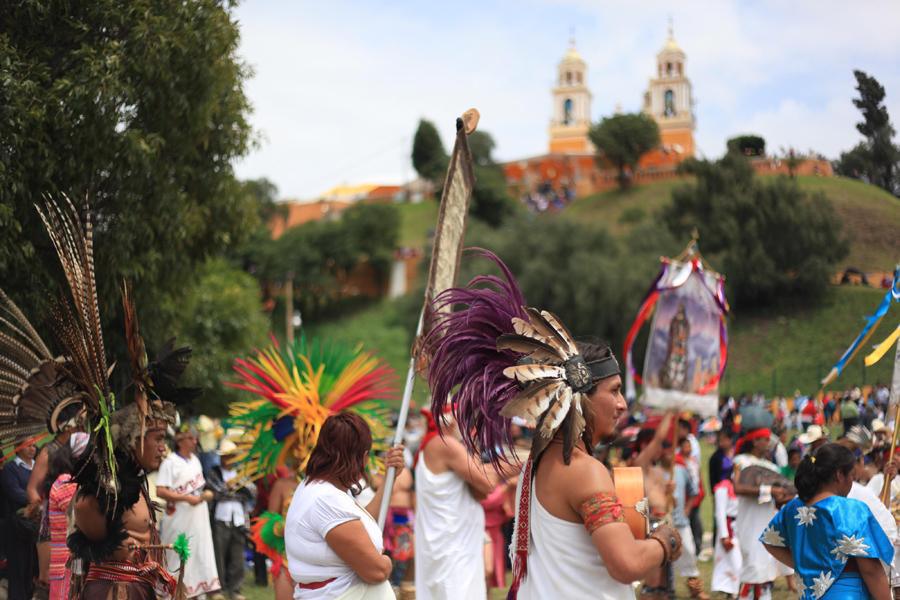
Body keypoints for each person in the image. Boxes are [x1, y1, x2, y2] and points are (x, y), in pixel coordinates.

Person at [422, 251, 683, 600]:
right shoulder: (582, 471)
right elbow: (626, 564)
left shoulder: (538, 464)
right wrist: (666, 540)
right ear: (582, 397)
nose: (622, 404)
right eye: (615, 391)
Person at [284, 413, 404, 599]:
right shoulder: (327, 500)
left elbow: (359, 528)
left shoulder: (317, 487)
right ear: (363, 457)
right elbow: (376, 572)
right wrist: (385, 561)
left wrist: (389, 478)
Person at [761, 443, 893, 599]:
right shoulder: (850, 509)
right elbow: (871, 570)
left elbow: (769, 540)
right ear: (839, 475)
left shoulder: (792, 508)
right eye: (851, 476)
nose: (852, 482)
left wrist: (804, 566)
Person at [414, 408, 500, 600]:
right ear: (450, 422)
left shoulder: (433, 444)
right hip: (452, 543)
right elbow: (486, 484)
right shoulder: (445, 444)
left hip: (452, 540)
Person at [155, 428, 223, 599]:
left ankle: (195, 593)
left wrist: (206, 494)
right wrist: (186, 498)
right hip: (179, 519)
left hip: (198, 518)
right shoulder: (169, 462)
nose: (195, 442)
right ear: (180, 441)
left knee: (198, 553)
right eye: (191, 438)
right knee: (178, 555)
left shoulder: (196, 461)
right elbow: (160, 491)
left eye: (196, 439)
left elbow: (199, 488)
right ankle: (174, 593)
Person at [732, 427, 792, 600]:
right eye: (764, 439)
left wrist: (786, 495)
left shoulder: (772, 466)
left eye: (768, 440)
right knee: (752, 567)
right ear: (754, 441)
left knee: (765, 569)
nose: (768, 443)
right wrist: (770, 490)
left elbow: (779, 498)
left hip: (766, 521)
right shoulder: (741, 461)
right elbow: (738, 487)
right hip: (749, 522)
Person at [207, 439, 256, 600]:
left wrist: (231, 489)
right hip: (221, 518)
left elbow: (251, 492)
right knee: (219, 554)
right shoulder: (214, 472)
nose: (226, 460)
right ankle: (218, 588)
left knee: (237, 555)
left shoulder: (241, 471)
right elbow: (217, 491)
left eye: (229, 456)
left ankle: (235, 589)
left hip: (239, 519)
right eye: (224, 456)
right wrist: (237, 490)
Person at [0, 440, 38, 600]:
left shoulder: (39, 466)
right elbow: (14, 492)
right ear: (18, 447)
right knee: (19, 570)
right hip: (18, 528)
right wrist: (38, 501)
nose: (32, 448)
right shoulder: (10, 469)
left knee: (35, 568)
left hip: (39, 527)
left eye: (34, 445)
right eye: (28, 445)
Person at [712, 470, 741, 597]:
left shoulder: (741, 489)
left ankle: (733, 589)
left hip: (739, 528)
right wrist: (724, 535)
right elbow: (720, 513)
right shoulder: (723, 488)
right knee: (733, 560)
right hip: (728, 529)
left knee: (737, 561)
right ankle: (731, 589)